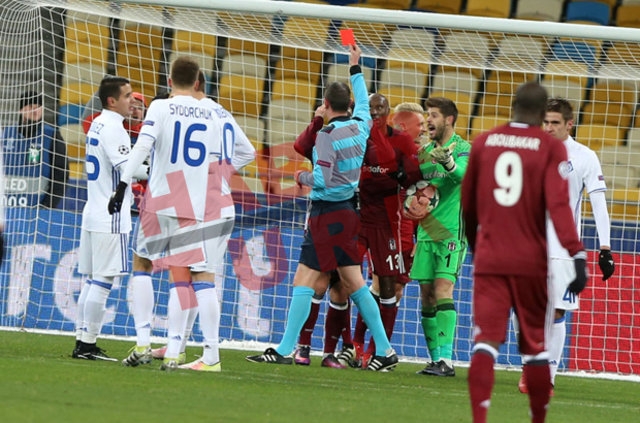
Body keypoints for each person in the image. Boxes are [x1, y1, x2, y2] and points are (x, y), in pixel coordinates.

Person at [246, 43, 399, 372]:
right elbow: (362, 95)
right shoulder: (361, 124)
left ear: (326, 105)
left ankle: (286, 348)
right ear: (351, 106)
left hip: (327, 213)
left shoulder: (327, 136)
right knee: (355, 283)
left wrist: (299, 175)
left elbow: (323, 178)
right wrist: (355, 66)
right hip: (349, 212)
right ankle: (385, 350)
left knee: (304, 280)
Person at [111, 58, 255, 372]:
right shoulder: (214, 111)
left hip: (160, 200)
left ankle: (144, 341)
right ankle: (176, 349)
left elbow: (143, 146)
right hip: (197, 204)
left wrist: (124, 182)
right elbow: (238, 154)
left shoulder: (161, 107)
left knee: (143, 263)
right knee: (184, 274)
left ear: (169, 78)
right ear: (199, 81)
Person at [462, 81, 588, 423]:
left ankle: (479, 418)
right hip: (531, 258)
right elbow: (559, 207)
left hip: (490, 257)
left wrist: (478, 249)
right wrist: (577, 253)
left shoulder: (484, 141)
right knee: (534, 344)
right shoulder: (549, 148)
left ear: (513, 106)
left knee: (485, 342)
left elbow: (468, 206)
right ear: (540, 111)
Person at [516, 97, 615, 395]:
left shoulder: (584, 156)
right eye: (544, 121)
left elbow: (599, 203)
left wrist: (605, 248)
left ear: (569, 124)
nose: (548, 128)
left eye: (555, 123)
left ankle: (548, 376)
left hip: (563, 248)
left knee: (557, 311)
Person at [72, 76, 137, 361]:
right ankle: (87, 344)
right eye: (127, 96)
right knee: (102, 281)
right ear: (112, 101)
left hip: (93, 210)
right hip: (111, 213)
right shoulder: (114, 128)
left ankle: (82, 340)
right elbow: (129, 170)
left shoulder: (97, 123)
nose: (132, 101)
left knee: (91, 281)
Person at [409, 96, 470, 377]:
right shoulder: (423, 152)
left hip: (451, 233)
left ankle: (447, 360)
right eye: (426, 115)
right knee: (426, 296)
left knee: (444, 289)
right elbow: (417, 190)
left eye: (433, 115)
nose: (428, 120)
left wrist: (447, 162)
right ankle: (435, 360)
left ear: (449, 120)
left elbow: (464, 178)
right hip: (426, 232)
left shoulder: (465, 149)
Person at [1, 90, 68, 208]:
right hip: (6, 207)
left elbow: (61, 175)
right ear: (21, 110)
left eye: (39, 107)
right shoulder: (6, 134)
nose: (36, 111)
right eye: (31, 106)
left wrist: (48, 205)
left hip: (36, 212)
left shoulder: (51, 135)